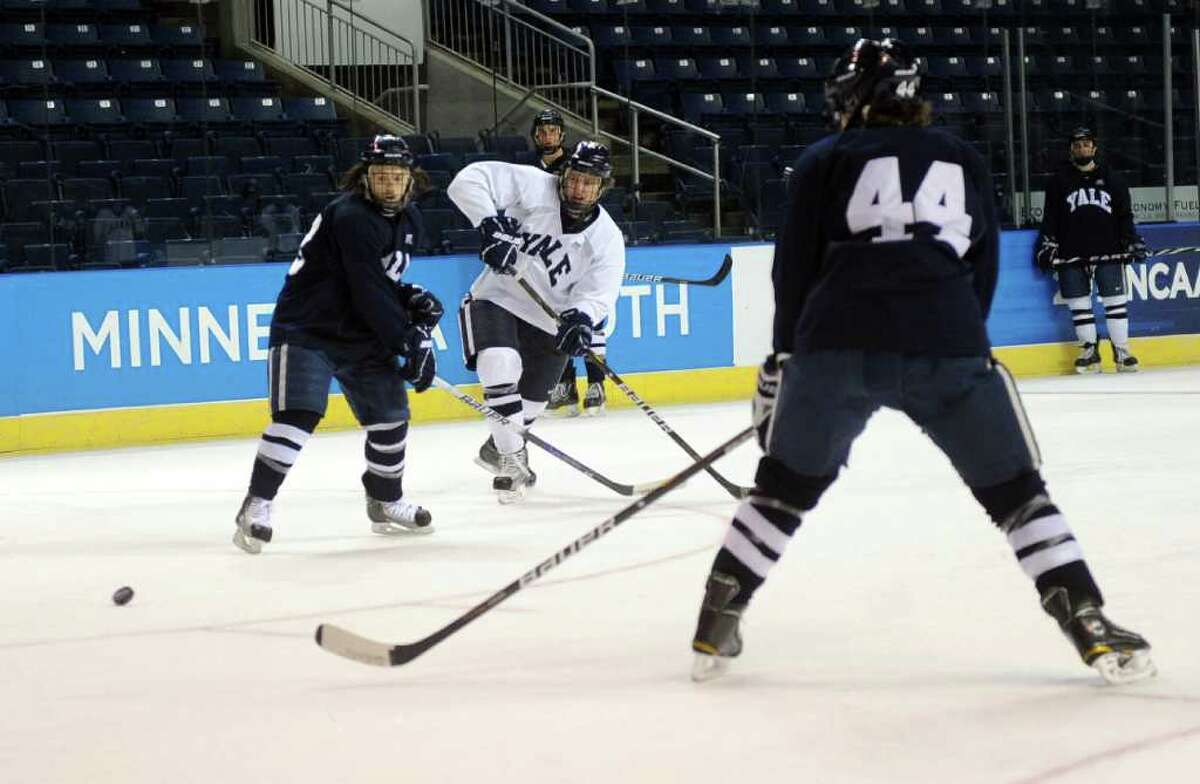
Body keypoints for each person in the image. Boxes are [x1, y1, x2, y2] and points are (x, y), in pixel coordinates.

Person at [689, 40, 1154, 686]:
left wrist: (780, 362)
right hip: (946, 342)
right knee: (1018, 495)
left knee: (782, 490)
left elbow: (791, 271)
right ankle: (1088, 620)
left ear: (860, 96)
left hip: (837, 341)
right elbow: (981, 267)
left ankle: (716, 621)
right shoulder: (961, 156)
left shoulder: (824, 158)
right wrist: (965, 337)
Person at [232, 135, 442, 553]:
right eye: (380, 176)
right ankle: (256, 505)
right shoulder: (350, 216)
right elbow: (364, 287)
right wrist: (408, 337)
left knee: (391, 416)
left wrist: (407, 297)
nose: (387, 184)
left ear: (410, 180)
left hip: (359, 331)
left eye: (396, 177)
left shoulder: (410, 220)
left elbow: (378, 283)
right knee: (298, 416)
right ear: (365, 178)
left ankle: (385, 500)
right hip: (308, 328)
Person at [447, 140, 626, 503]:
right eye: (575, 178)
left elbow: (599, 292)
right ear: (564, 174)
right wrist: (489, 223)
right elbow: (466, 181)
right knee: (500, 364)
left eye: (589, 184)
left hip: (549, 322)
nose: (578, 189)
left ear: (602, 188)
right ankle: (512, 460)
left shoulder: (607, 238)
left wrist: (582, 318)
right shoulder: (533, 185)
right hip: (496, 297)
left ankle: (500, 447)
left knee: (528, 409)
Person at [1035, 127, 1147, 373]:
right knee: (1079, 304)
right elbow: (1050, 217)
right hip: (1070, 252)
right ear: (1071, 150)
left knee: (1115, 302)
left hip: (1108, 250)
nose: (1082, 148)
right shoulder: (1058, 181)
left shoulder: (1113, 179)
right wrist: (1047, 243)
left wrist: (1131, 240)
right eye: (1077, 145)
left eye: (1086, 144)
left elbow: (1124, 215)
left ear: (1094, 148)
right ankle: (1089, 350)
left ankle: (1122, 351)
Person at [521, 109, 611, 416]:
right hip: (546, 256)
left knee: (587, 316)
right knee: (553, 319)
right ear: (536, 135)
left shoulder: (580, 168)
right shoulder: (529, 170)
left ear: (562, 135)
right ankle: (565, 385)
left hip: (580, 250)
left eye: (553, 130)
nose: (548, 136)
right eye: (542, 130)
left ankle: (597, 383)